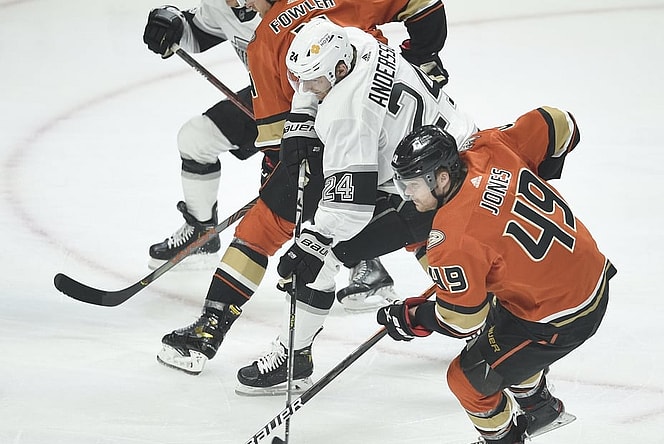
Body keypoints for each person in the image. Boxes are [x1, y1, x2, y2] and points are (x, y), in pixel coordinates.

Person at [156, 0, 452, 381]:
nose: (239, 5)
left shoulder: (267, 44)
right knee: (428, 219)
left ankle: (225, 332)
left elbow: (286, 144)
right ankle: (477, 303)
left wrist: (282, 190)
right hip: (424, 141)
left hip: (355, 149)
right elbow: (420, 5)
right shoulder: (357, 37)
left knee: (283, 237)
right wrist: (424, 55)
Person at [239, 18, 477, 396]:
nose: (305, 88)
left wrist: (314, 240)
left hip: (434, 191)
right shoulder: (354, 40)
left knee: (322, 260)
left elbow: (350, 207)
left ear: (338, 70)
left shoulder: (347, 114)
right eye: (300, 80)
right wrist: (302, 114)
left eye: (313, 83)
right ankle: (487, 317)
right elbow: (314, 78)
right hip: (457, 153)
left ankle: (294, 359)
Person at [375, 117, 615, 443]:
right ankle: (539, 407)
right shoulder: (490, 146)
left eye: (413, 184)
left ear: (441, 178)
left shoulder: (452, 238)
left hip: (563, 316)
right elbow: (559, 122)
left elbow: (462, 321)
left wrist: (413, 316)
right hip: (588, 272)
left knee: (469, 379)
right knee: (501, 331)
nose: (407, 194)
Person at [142, 0, 262, 270]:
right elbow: (197, 32)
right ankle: (201, 232)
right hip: (268, 96)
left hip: (324, 100)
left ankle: (357, 257)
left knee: (327, 176)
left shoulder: (299, 7)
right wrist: (172, 23)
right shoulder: (223, 5)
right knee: (196, 139)